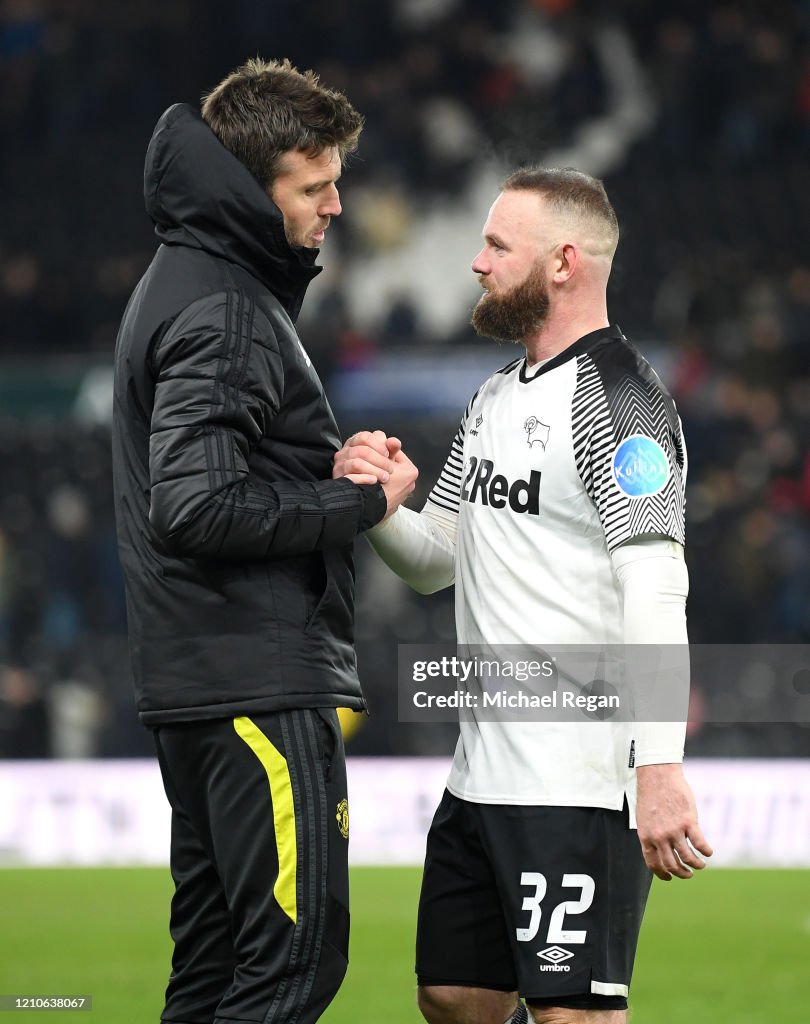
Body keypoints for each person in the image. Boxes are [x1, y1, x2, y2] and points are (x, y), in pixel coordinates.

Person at [333, 167, 713, 1024]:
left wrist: (658, 768)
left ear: (564, 263)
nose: (477, 262)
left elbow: (656, 584)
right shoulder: (496, 395)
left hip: (576, 781)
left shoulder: (621, 402)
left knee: (574, 1014)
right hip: (482, 774)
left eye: (498, 246)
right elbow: (439, 559)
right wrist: (384, 505)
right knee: (455, 998)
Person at [111, 58, 416, 1024]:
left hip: (203, 680)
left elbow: (207, 482)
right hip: (257, 683)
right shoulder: (230, 306)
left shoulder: (194, 279)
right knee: (290, 968)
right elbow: (195, 507)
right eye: (314, 186)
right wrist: (357, 504)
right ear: (253, 188)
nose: (337, 205)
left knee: (209, 977)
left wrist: (319, 474)